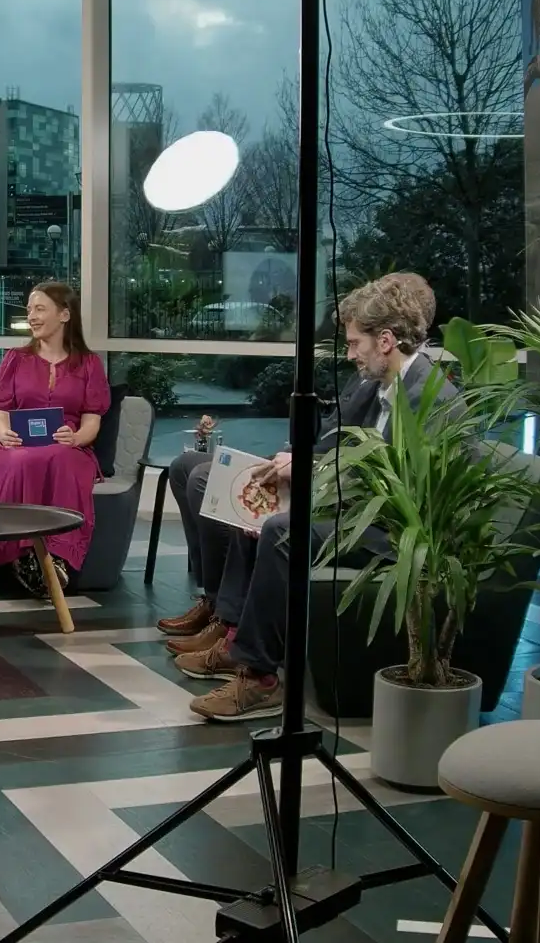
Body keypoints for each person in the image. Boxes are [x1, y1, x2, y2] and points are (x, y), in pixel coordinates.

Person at [173, 272, 453, 722]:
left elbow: (401, 488)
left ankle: (260, 679)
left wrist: (312, 474)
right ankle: (234, 638)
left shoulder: (431, 397)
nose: (350, 354)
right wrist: (294, 471)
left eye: (355, 343)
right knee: (258, 507)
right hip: (355, 508)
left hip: (392, 530)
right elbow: (334, 446)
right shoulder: (377, 386)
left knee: (281, 530)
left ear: (385, 341)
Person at [0, 281, 110, 594]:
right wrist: (3, 433)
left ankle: (57, 558)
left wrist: (76, 437)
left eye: (40, 309)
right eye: (29, 310)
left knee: (61, 457)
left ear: (64, 315)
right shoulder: (16, 358)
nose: (31, 316)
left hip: (67, 446)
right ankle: (24, 557)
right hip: (16, 445)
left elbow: (92, 420)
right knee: (21, 460)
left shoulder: (90, 363)